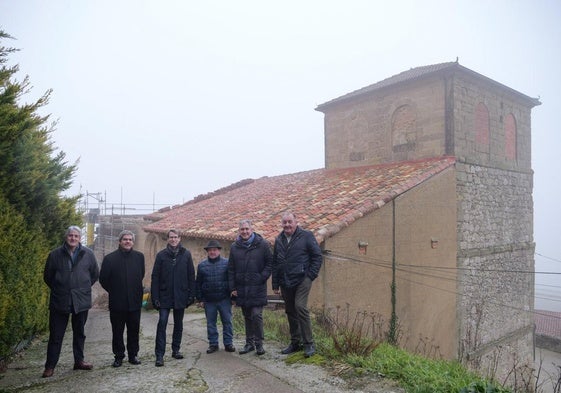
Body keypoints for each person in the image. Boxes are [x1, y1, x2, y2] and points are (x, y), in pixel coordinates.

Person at [42, 225, 100, 378]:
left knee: (79, 333)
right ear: (66, 237)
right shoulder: (54, 255)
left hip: (81, 300)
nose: (73, 238)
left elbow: (94, 274)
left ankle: (79, 361)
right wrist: (61, 288)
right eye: (70, 236)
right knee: (56, 335)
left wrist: (82, 288)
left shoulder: (88, 254)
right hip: (60, 300)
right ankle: (50, 366)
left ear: (79, 238)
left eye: (76, 236)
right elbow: (48, 277)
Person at [272, 211, 323, 358]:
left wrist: (310, 276)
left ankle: (309, 344)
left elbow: (317, 257)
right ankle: (295, 342)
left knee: (300, 307)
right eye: (285, 222)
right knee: (290, 310)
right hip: (285, 281)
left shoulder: (306, 236)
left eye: (290, 222)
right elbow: (276, 263)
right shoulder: (279, 239)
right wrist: (275, 284)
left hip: (302, 279)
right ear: (282, 224)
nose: (287, 225)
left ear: (296, 222)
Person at [99, 230, 145, 367]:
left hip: (134, 302)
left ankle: (133, 355)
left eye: (130, 239)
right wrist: (114, 291)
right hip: (117, 302)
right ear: (119, 241)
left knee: (134, 330)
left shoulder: (139, 257)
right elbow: (103, 279)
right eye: (125, 239)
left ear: (133, 242)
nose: (127, 241)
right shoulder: (109, 259)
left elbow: (140, 275)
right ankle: (118, 356)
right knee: (117, 332)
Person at [151, 229, 195, 367]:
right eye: (171, 237)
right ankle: (159, 355)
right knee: (162, 322)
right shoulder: (161, 256)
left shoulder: (186, 254)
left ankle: (176, 350)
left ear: (180, 238)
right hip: (164, 295)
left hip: (180, 295)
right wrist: (155, 296)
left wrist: (191, 295)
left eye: (176, 237)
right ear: (168, 239)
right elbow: (155, 277)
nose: (173, 239)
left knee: (178, 324)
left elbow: (191, 276)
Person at [228, 219, 272, 356]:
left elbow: (270, 263)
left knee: (256, 315)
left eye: (247, 229)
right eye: (242, 229)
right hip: (242, 287)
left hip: (257, 287)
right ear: (239, 231)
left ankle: (259, 344)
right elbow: (231, 269)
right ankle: (249, 343)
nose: (245, 232)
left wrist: (261, 277)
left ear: (252, 230)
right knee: (247, 316)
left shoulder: (263, 245)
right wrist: (232, 287)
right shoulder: (234, 247)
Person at [195, 240, 235, 354]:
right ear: (207, 252)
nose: (212, 252)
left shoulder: (227, 263)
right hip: (209, 301)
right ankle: (213, 344)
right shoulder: (202, 266)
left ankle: (228, 343)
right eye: (210, 250)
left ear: (219, 250)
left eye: (214, 250)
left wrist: (233, 298)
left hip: (224, 299)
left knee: (227, 322)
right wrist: (200, 299)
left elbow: (231, 281)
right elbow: (198, 283)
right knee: (210, 323)